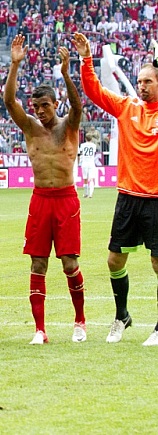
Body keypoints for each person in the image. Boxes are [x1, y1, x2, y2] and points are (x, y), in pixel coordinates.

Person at [72, 32, 158, 346]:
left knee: (157, 263)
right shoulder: (127, 108)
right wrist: (86, 60)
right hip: (128, 198)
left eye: (148, 81)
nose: (142, 85)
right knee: (114, 261)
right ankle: (122, 315)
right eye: (140, 81)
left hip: (156, 201)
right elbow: (94, 91)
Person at [5, 35, 86, 344]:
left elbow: (78, 106)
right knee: (38, 263)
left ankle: (79, 321)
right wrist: (15, 65)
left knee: (70, 263)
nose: (39, 110)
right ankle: (40, 329)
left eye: (45, 105)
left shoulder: (69, 125)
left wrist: (66, 73)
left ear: (55, 104)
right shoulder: (30, 128)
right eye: (36, 106)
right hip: (40, 200)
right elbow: (10, 102)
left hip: (66, 199)